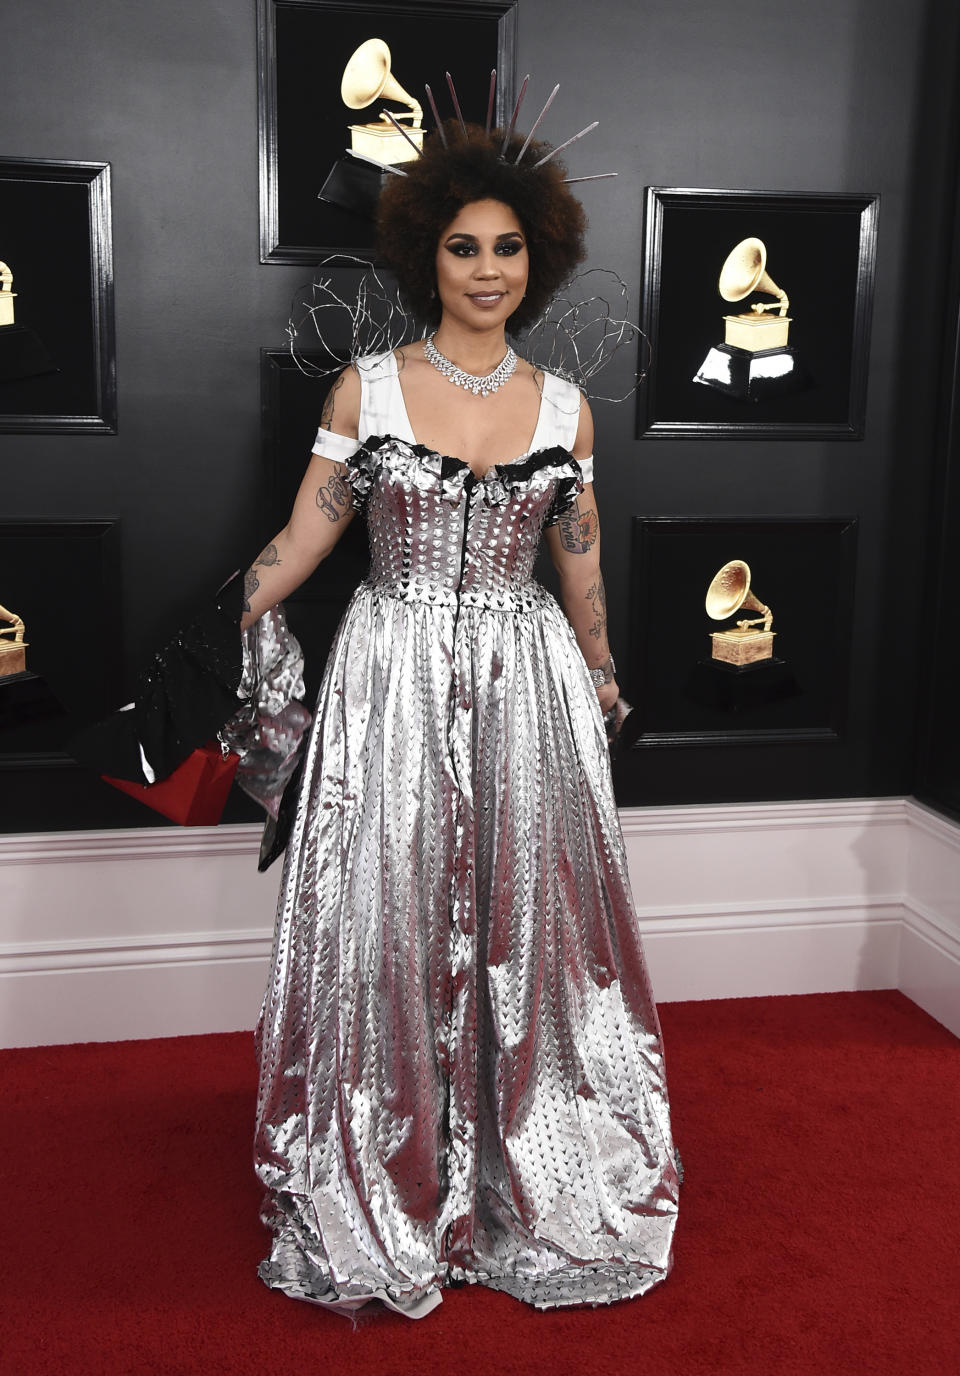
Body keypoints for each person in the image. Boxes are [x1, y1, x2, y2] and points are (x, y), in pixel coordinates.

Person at [239, 118, 682, 1320]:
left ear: (535, 257)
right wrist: (233, 611)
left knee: (525, 923)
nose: (487, 270)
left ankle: (525, 1168)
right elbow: (307, 533)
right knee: (385, 910)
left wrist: (601, 673)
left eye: (507, 249)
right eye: (461, 248)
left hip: (524, 681)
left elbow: (575, 560)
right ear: (424, 260)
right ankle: (388, 1165)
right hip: (391, 674)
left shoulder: (567, 410)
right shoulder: (368, 386)